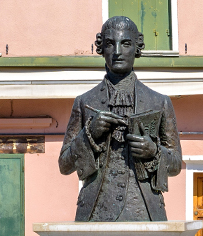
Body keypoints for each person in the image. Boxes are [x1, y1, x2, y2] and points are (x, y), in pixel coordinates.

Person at [58, 16, 183, 221]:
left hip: (145, 211)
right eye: (109, 44)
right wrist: (89, 135)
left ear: (137, 47)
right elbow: (64, 165)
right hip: (95, 212)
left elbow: (176, 164)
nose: (117, 52)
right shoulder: (84, 102)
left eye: (125, 43)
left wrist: (154, 151)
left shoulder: (159, 103)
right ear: (101, 49)